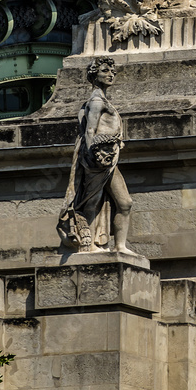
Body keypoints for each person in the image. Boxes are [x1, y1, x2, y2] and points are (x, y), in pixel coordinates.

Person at [57, 57, 136, 255]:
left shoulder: (103, 99)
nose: (111, 75)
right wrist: (94, 158)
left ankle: (120, 246)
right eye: (105, 71)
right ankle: (89, 245)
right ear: (94, 75)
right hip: (97, 160)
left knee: (125, 203)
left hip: (109, 159)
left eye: (112, 72)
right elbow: (90, 132)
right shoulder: (97, 101)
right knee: (92, 200)